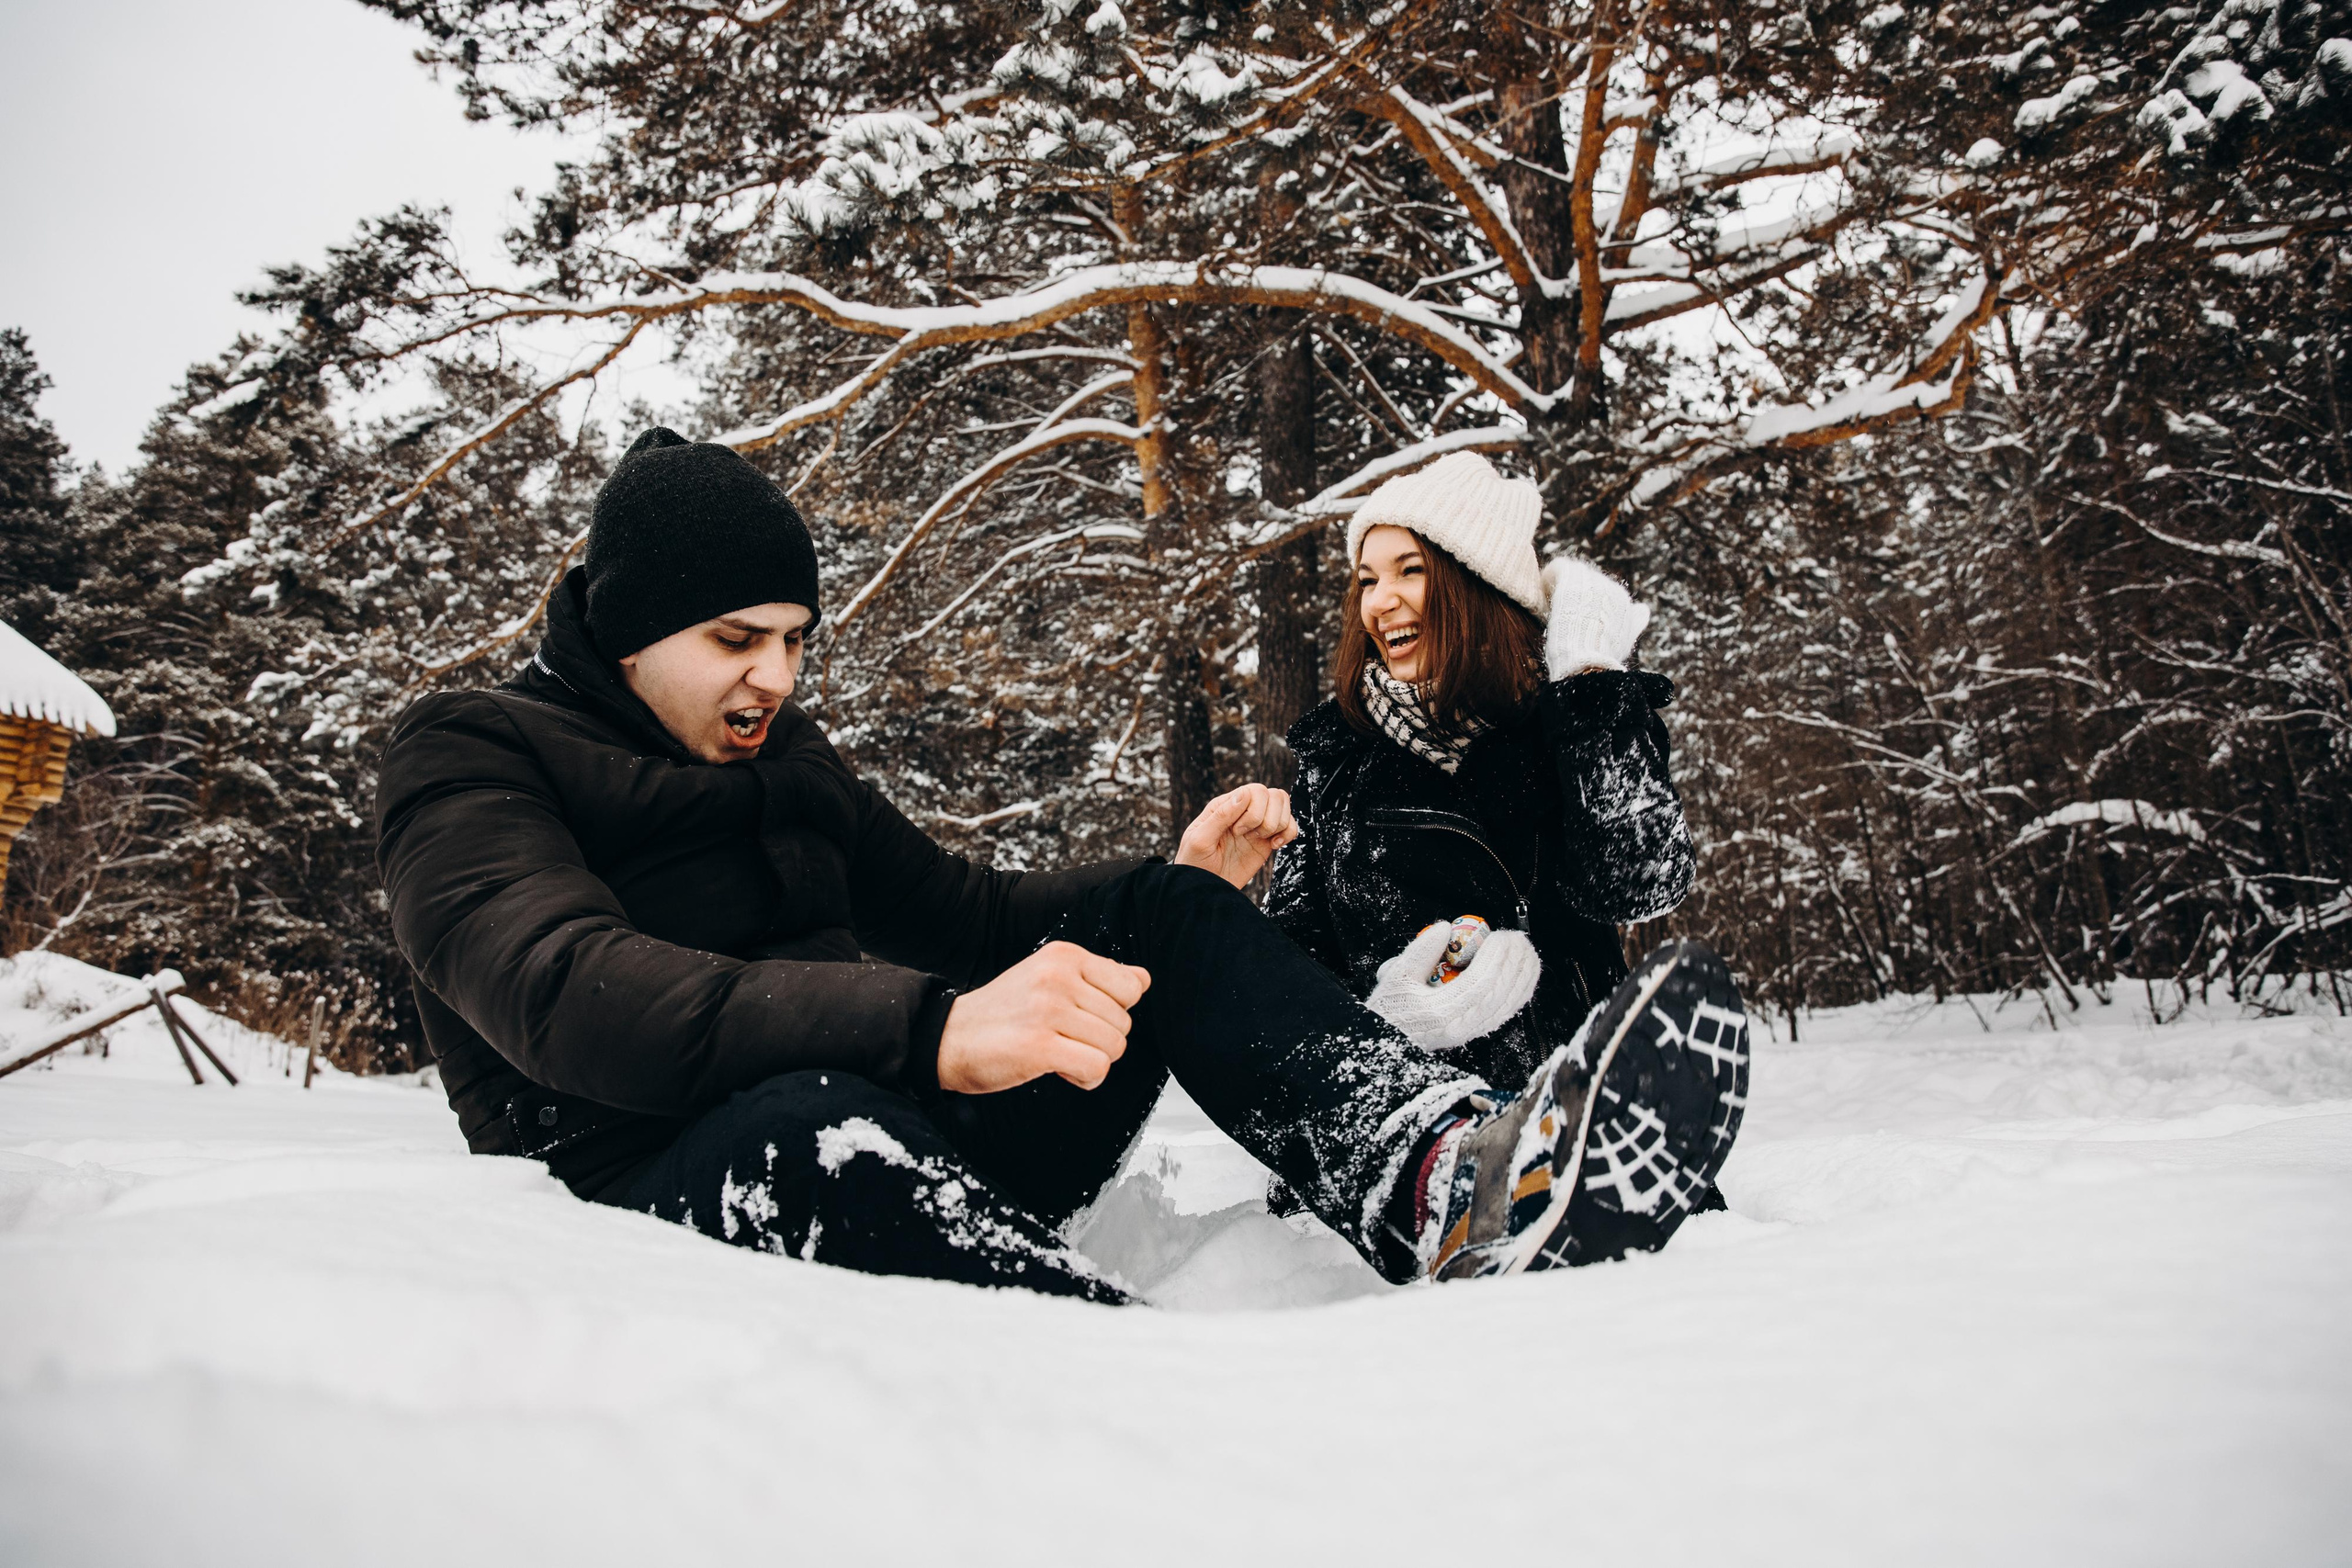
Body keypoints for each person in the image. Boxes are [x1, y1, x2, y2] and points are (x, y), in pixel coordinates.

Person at [374, 428, 1748, 1300]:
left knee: (1153, 913)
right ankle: (1101, 1383)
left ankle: (1445, 1181)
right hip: (669, 1192)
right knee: (810, 1120)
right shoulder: (472, 754)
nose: (776, 677)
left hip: (905, 1146)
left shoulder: (788, 759)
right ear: (628, 627)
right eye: (738, 641)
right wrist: (932, 1030)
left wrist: (1172, 892)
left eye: (794, 640)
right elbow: (564, 986)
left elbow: (965, 914)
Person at [1265, 449, 1745, 1246]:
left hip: (1593, 1147)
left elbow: (1643, 877)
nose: (1380, 601)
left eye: (1410, 570)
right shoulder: (1334, 766)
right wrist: (1395, 1023)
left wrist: (1588, 680)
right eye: (1367, 579)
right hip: (1409, 1170)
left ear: (1475, 585)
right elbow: (1286, 994)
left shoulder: (1567, 724)